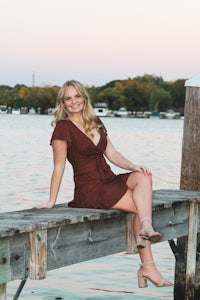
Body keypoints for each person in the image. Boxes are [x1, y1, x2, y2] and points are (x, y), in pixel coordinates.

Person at [36, 80, 172, 288]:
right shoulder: (62, 129)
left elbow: (112, 154)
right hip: (90, 188)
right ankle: (148, 265)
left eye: (77, 96)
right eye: (68, 98)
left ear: (84, 98)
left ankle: (145, 225)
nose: (74, 102)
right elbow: (59, 167)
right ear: (62, 103)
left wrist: (134, 165)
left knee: (144, 176)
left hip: (108, 180)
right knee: (140, 205)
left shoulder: (95, 121)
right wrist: (50, 201)